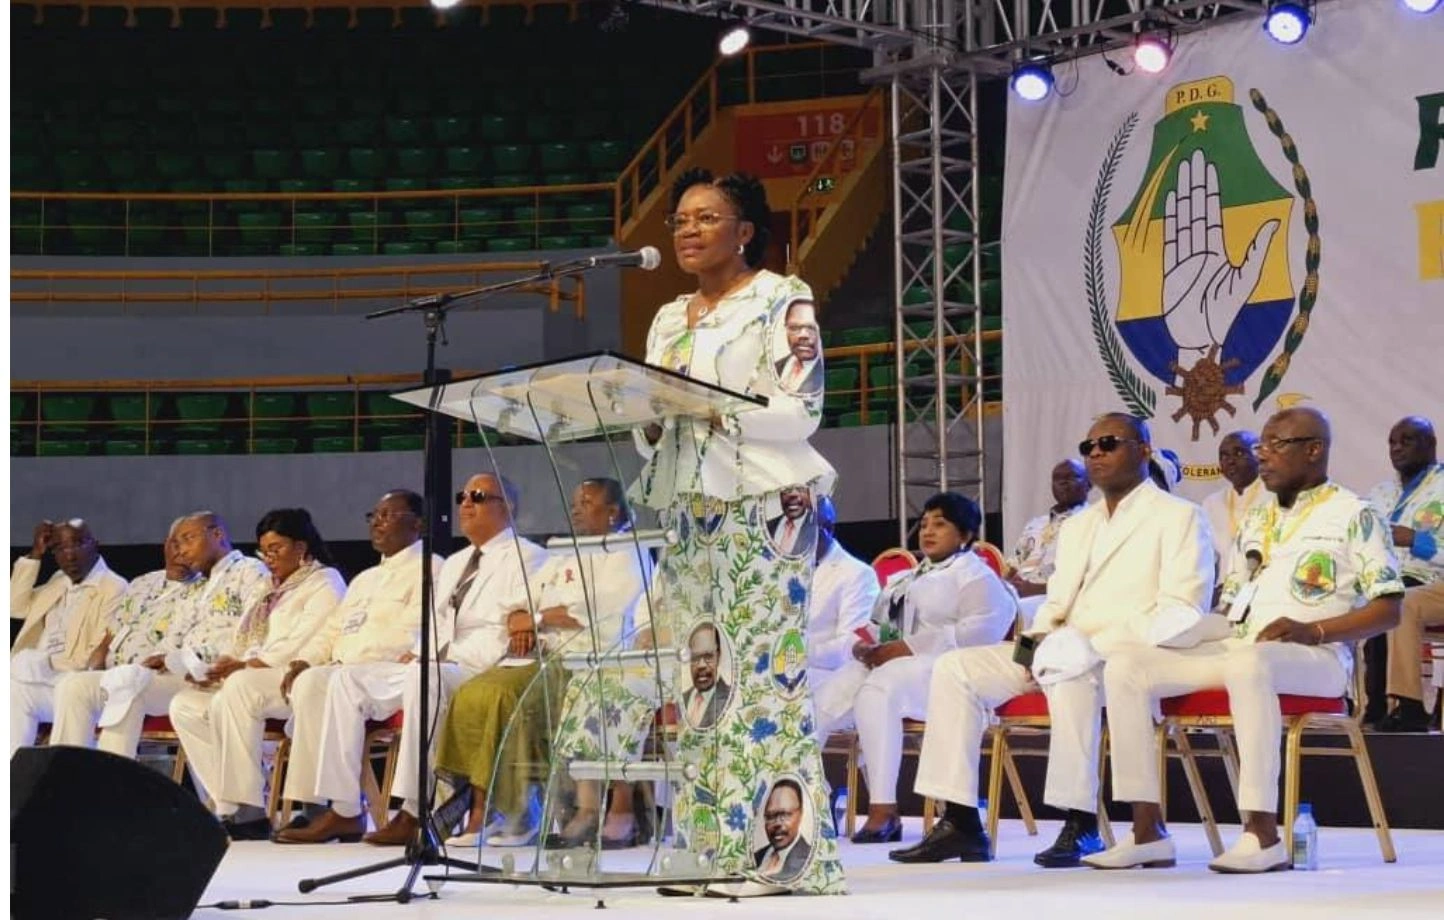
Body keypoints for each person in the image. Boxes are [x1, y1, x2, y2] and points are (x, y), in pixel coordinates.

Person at [636, 168, 840, 895]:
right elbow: (653, 425)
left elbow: (799, 411)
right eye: (680, 220)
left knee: (761, 684)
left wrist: (711, 408)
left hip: (764, 507)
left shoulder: (783, 298)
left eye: (707, 218)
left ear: (745, 229)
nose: (688, 231)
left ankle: (780, 857)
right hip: (691, 508)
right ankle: (709, 849)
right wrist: (653, 422)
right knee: (700, 685)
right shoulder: (666, 318)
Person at [1091, 407, 1405, 873]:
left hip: (1316, 656)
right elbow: (1233, 606)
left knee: (1248, 663)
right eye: (1263, 447)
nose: (1264, 458)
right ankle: (1147, 830)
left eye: (1276, 446)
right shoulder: (1256, 519)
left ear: (1314, 449)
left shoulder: (1355, 514)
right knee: (1127, 665)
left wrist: (1312, 630)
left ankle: (1261, 834)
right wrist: (1184, 628)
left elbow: (1389, 609)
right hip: (1245, 646)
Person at [891, 413, 1213, 868]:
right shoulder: (1079, 526)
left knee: (1073, 668)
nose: (1096, 453)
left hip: (1127, 655)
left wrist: (1093, 644)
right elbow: (1053, 605)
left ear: (1143, 450)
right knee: (955, 668)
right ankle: (960, 822)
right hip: (1060, 647)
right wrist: (1030, 651)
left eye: (1109, 443)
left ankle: (1079, 821)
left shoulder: (1179, 516)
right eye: (1089, 447)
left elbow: (1184, 607)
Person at [311, 474, 547, 847]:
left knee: (425, 679)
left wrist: (430, 661)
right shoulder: (455, 562)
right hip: (438, 662)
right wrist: (421, 653)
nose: (466, 503)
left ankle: (413, 809)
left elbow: (521, 622)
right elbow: (437, 623)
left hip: (483, 665)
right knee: (347, 679)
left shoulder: (528, 557)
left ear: (508, 507)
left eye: (478, 496)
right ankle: (343, 809)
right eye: (462, 496)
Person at [434, 479, 650, 849]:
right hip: (546, 655)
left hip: (590, 659)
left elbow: (594, 615)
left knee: (504, 696)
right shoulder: (567, 553)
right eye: (574, 501)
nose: (576, 508)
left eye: (586, 501)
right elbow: (517, 604)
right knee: (473, 693)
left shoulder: (627, 552)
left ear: (613, 512)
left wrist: (534, 619)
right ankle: (489, 807)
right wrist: (534, 617)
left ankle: (513, 811)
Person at [814, 492, 1016, 844]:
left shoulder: (974, 575)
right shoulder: (904, 579)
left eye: (940, 524)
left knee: (880, 689)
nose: (928, 532)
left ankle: (883, 809)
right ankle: (808, 794)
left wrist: (908, 647)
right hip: (895, 666)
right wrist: (863, 645)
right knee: (826, 695)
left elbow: (982, 632)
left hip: (949, 672)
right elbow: (877, 625)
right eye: (923, 524)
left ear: (965, 535)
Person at [274, 490, 442, 844]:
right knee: (310, 682)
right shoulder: (365, 578)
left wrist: (366, 659)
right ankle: (321, 805)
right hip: (353, 673)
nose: (377, 523)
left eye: (388, 515)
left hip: (397, 670)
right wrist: (305, 660)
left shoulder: (432, 567)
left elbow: (426, 625)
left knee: (341, 680)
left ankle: (347, 810)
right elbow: (334, 628)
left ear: (418, 523)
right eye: (374, 515)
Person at [170, 508, 346, 840]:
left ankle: (248, 811)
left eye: (276, 549)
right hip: (252, 675)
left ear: (301, 547)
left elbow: (304, 641)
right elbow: (241, 638)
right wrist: (219, 666)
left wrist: (243, 667)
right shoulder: (267, 586)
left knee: (238, 687)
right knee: (186, 705)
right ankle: (229, 805)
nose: (268, 557)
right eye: (264, 550)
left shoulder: (324, 581)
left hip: (295, 675)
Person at [48, 519, 199, 753]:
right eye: (175, 544)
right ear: (165, 545)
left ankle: (111, 784)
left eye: (189, 544)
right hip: (117, 674)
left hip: (164, 678)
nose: (181, 551)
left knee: (127, 683)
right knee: (74, 685)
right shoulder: (142, 583)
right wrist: (89, 671)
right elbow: (109, 638)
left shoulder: (204, 588)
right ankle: (67, 778)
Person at [11, 518, 128, 754]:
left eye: (77, 544)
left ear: (95, 544)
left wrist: (40, 664)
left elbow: (96, 657)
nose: (70, 555)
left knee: (17, 679)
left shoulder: (114, 587)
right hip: (40, 681)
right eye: (61, 548)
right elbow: (14, 606)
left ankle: (61, 778)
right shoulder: (58, 581)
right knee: (11, 690)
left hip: (75, 683)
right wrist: (35, 554)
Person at [1367, 416, 1444, 732]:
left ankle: (1408, 706)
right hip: (1383, 578)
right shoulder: (1379, 494)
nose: (1397, 448)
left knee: (1396, 601)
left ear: (1430, 445)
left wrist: (1417, 541)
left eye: (1407, 441)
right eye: (1392, 442)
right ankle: (1364, 706)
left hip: (1431, 579)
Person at [806, 496, 879, 704]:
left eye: (805, 527)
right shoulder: (779, 571)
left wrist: (793, 655)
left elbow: (850, 648)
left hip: (825, 679)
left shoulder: (856, 574)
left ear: (828, 528)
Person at [1005, 459, 1090, 632]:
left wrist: (1035, 589)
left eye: (1072, 477)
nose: (1063, 482)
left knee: (1014, 612)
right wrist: (1004, 586)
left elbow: (1089, 579)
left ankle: (1023, 658)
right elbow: (1013, 565)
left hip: (1056, 598)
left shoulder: (1093, 522)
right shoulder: (1035, 524)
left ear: (1089, 484)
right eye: (1057, 478)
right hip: (1020, 594)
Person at [1201, 431, 1266, 596]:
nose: (1230, 461)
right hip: (1225, 594)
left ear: (1259, 455)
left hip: (1265, 592)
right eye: (1223, 456)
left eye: (1239, 453)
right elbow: (1205, 561)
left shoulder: (1277, 496)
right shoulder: (1211, 503)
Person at [753, 779, 813, 882]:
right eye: (770, 816)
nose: (777, 824)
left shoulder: (810, 860)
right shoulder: (757, 856)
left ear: (801, 814)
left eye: (785, 815)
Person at [772, 298, 823, 395]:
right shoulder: (775, 368)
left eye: (811, 327)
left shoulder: (828, 373)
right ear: (786, 329)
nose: (803, 335)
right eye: (794, 328)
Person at [767, 486, 817, 558]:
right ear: (780, 495)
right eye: (787, 489)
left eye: (800, 489)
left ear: (809, 494)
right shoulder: (768, 527)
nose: (793, 495)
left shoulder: (817, 528)